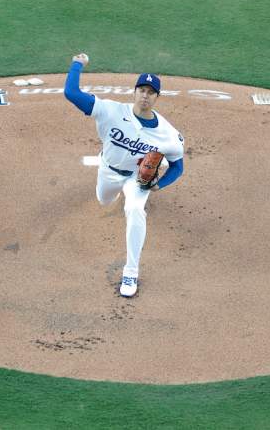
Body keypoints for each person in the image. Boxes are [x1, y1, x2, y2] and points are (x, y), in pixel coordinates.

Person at [64, 53, 185, 297]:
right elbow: (71, 93)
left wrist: (160, 184)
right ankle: (116, 196)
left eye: (151, 92)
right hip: (108, 170)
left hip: (136, 178)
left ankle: (131, 271)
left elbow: (177, 166)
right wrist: (78, 63)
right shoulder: (110, 111)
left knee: (135, 209)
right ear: (134, 92)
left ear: (157, 97)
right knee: (104, 200)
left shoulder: (168, 135)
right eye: (142, 89)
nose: (145, 95)